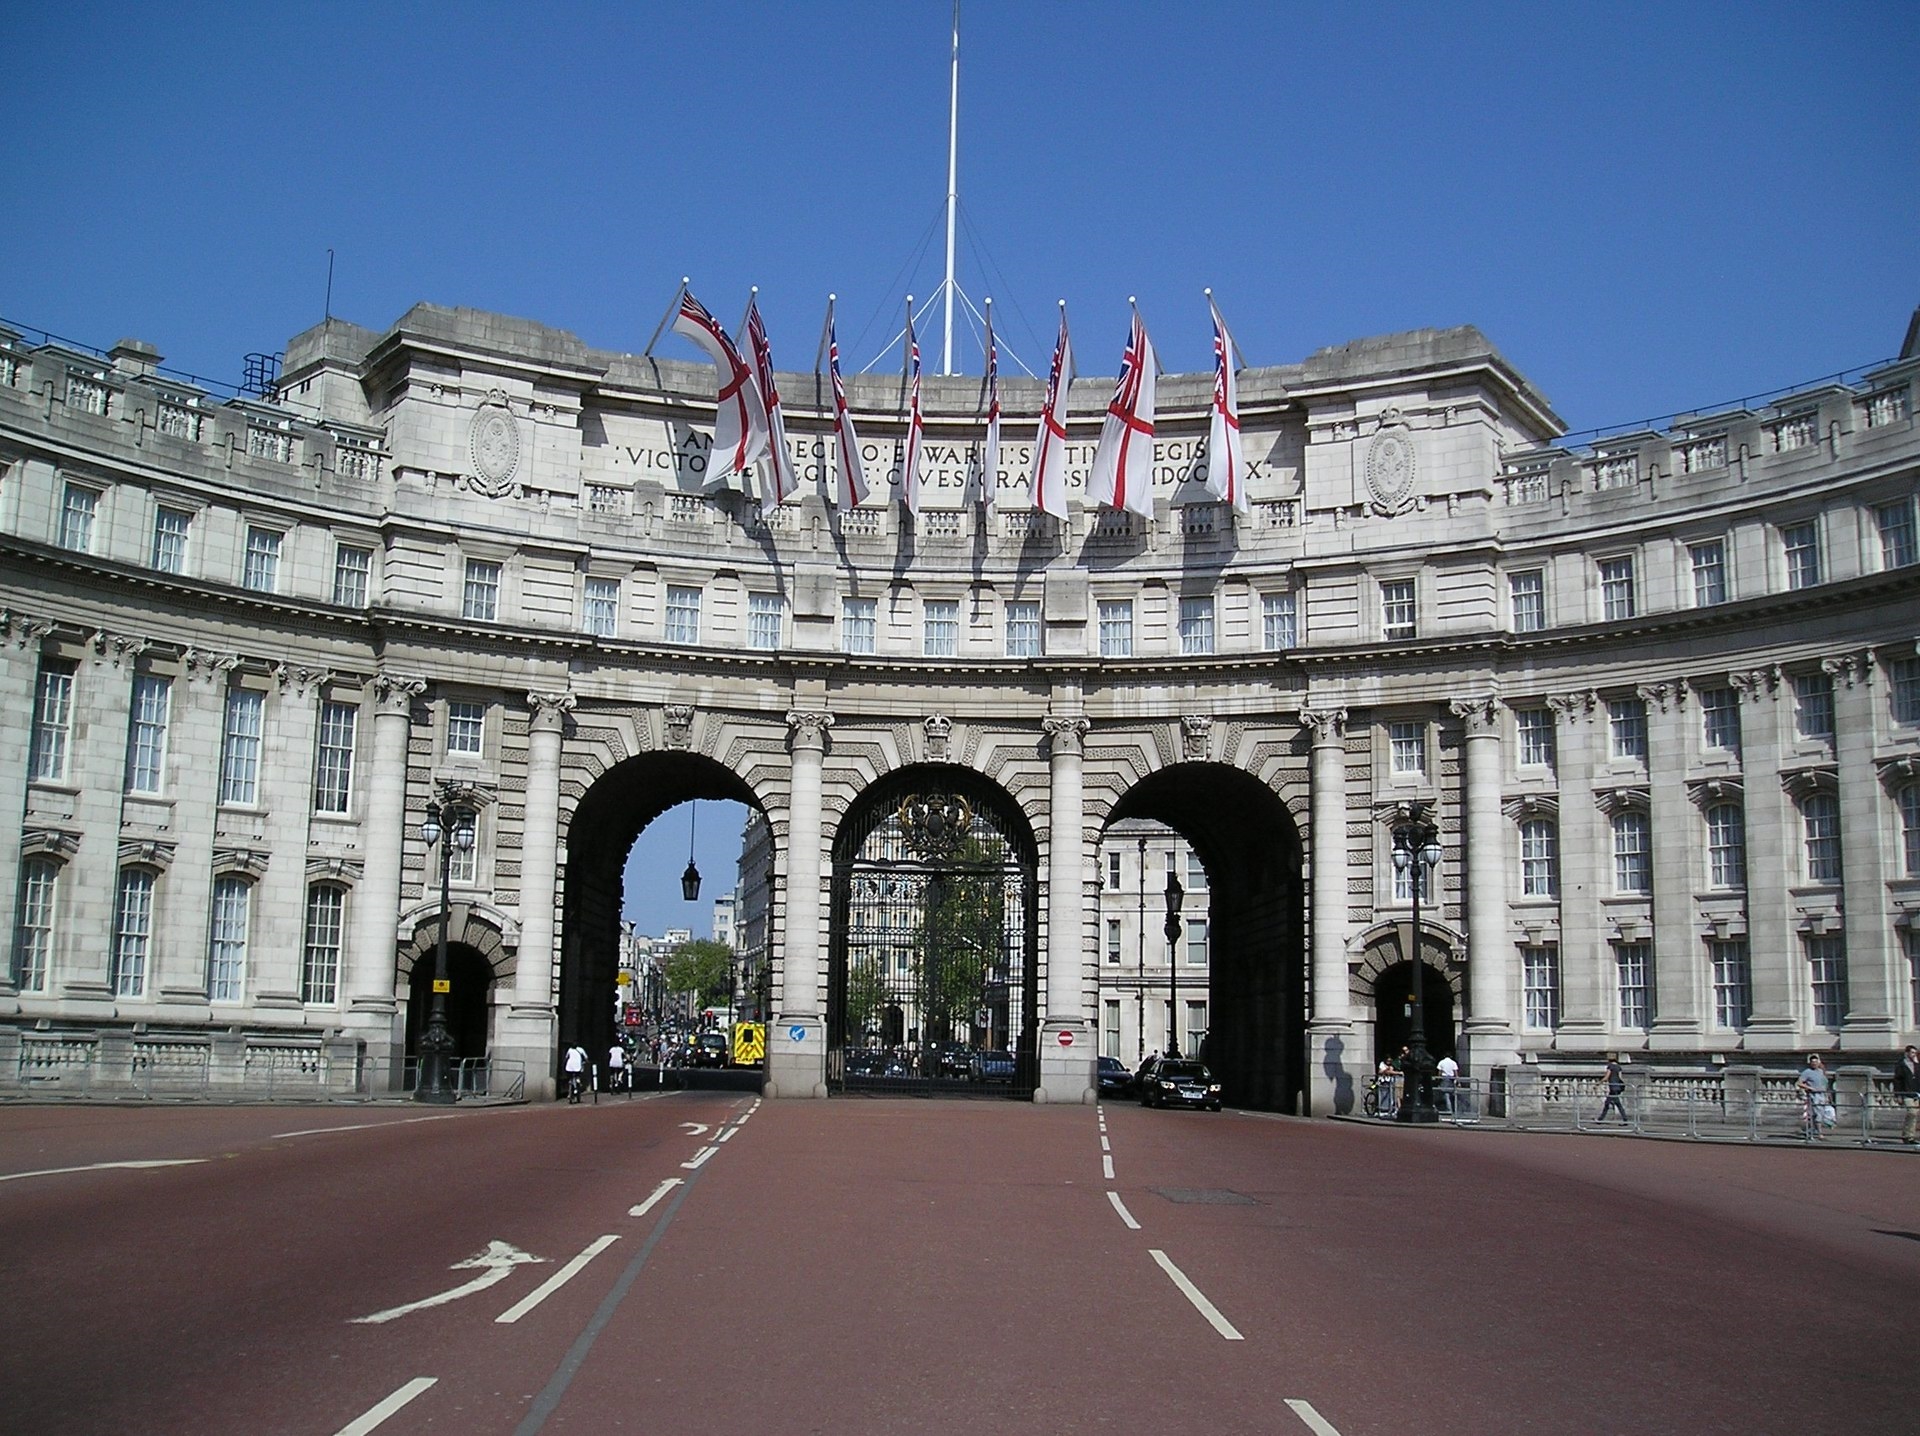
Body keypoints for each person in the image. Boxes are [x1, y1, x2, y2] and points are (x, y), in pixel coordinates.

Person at [1796, 1054, 1833, 1140]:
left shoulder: (1820, 1071)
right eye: (1813, 1062)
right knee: (1818, 1113)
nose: (1814, 1064)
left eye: (1816, 1062)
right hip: (1815, 1095)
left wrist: (1828, 1094)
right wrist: (1810, 1088)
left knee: (1823, 1113)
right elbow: (1799, 1083)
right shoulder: (1807, 1072)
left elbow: (1825, 1083)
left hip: (1823, 1094)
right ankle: (1820, 1133)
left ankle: (1811, 1129)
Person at [1894, 1046, 1920, 1145]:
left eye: (1915, 1053)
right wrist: (1898, 1095)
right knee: (1912, 1113)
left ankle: (1909, 1136)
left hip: (1916, 1093)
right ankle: (1907, 1135)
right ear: (1907, 1053)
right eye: (1912, 1052)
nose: (1914, 1055)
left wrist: (1917, 1064)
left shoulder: (1916, 1064)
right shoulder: (1901, 1065)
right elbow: (1897, 1080)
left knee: (1914, 1115)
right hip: (1906, 1093)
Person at [1596, 1055, 1628, 1125]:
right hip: (1617, 1087)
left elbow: (1606, 1077)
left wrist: (1598, 1083)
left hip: (1612, 1087)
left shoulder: (1610, 1066)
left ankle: (1600, 1119)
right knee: (1610, 1103)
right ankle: (1600, 1119)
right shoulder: (1619, 1067)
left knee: (1614, 1104)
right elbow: (1620, 1078)